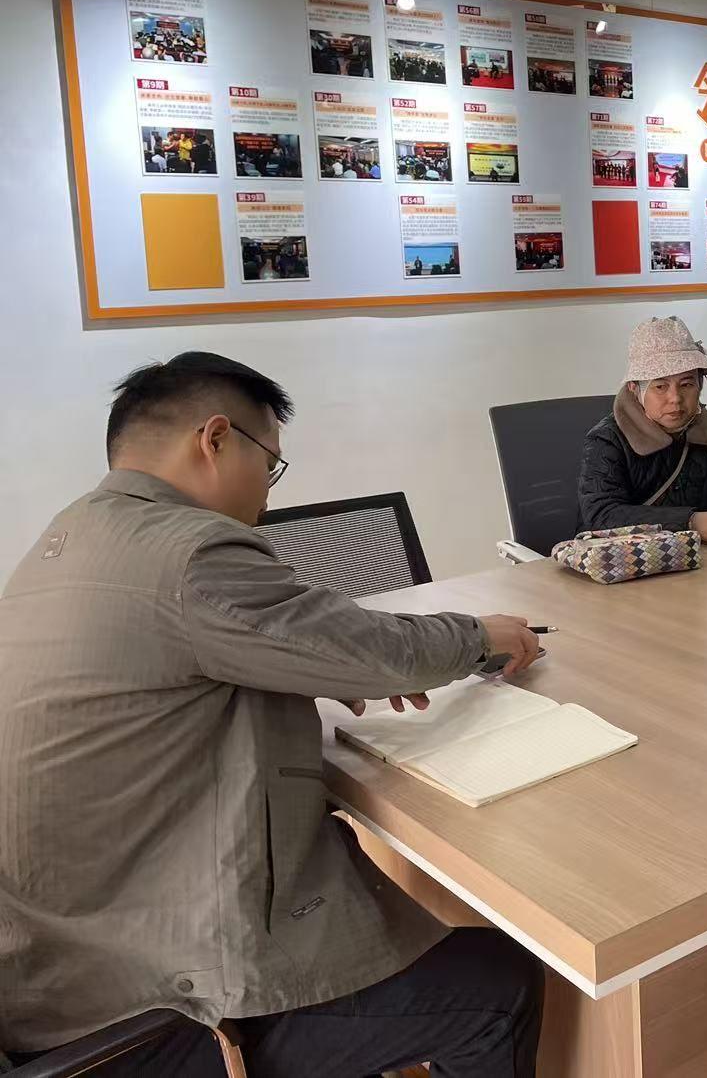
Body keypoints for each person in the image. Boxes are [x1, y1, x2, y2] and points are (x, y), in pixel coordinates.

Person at [0, 352, 545, 1076]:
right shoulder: (191, 551)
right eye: (270, 463)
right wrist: (479, 635)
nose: (266, 489)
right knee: (497, 984)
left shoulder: (65, 540)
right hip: (146, 1005)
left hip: (49, 960)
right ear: (215, 439)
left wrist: (303, 673)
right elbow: (380, 650)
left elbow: (176, 666)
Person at [579, 316, 707, 546]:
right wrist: (690, 522)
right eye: (660, 386)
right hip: (627, 563)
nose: (675, 398)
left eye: (686, 384)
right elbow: (601, 515)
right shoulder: (608, 439)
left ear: (700, 384)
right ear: (634, 389)